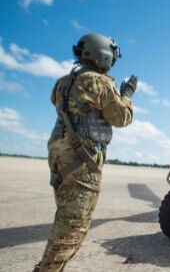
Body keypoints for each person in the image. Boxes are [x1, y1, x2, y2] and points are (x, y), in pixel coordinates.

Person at [34, 33, 137, 272]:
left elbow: (57, 102)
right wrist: (127, 95)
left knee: (65, 219)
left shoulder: (63, 82)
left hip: (60, 158)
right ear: (103, 54)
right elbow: (122, 117)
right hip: (82, 164)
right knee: (72, 228)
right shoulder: (100, 82)